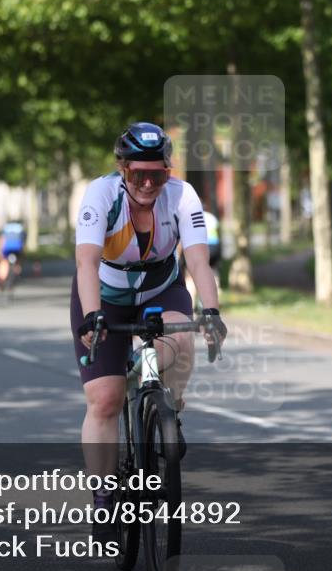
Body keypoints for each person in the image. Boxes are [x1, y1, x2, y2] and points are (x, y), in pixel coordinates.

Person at [71, 122, 226, 540]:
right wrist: (92, 316)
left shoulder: (181, 196)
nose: (146, 182)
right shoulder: (101, 195)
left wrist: (211, 310)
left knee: (181, 337)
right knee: (105, 398)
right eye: (137, 173)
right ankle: (104, 497)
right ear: (122, 168)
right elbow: (86, 262)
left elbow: (198, 262)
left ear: (167, 171)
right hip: (103, 294)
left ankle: (169, 408)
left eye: (156, 174)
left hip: (161, 287)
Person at [0, 221, 25, 288]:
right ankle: (17, 274)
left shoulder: (5, 229)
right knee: (18, 261)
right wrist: (22, 252)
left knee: (3, 261)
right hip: (17, 248)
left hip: (6, 248)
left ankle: (1, 279)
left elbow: (1, 239)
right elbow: (22, 241)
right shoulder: (19, 228)